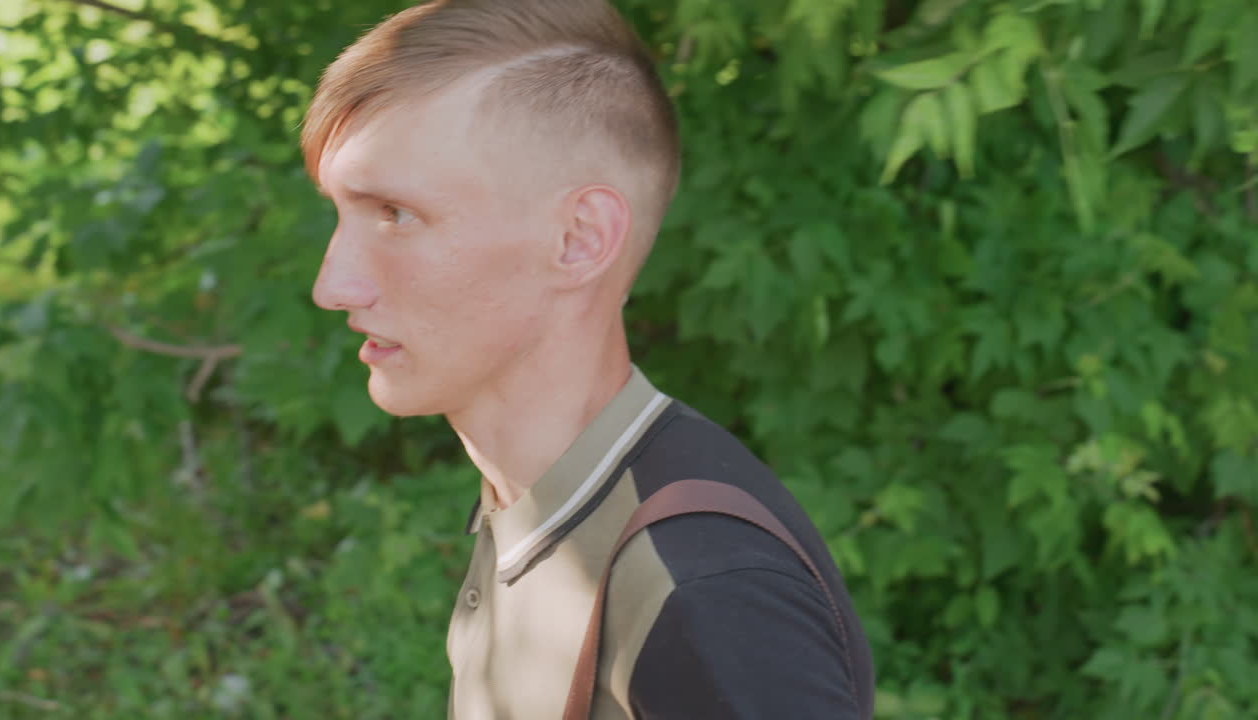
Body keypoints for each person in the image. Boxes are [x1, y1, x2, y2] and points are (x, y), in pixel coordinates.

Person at [301, 0, 875, 717]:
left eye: (396, 214)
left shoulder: (702, 590)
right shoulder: (537, 498)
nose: (333, 285)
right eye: (341, 213)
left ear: (579, 240)